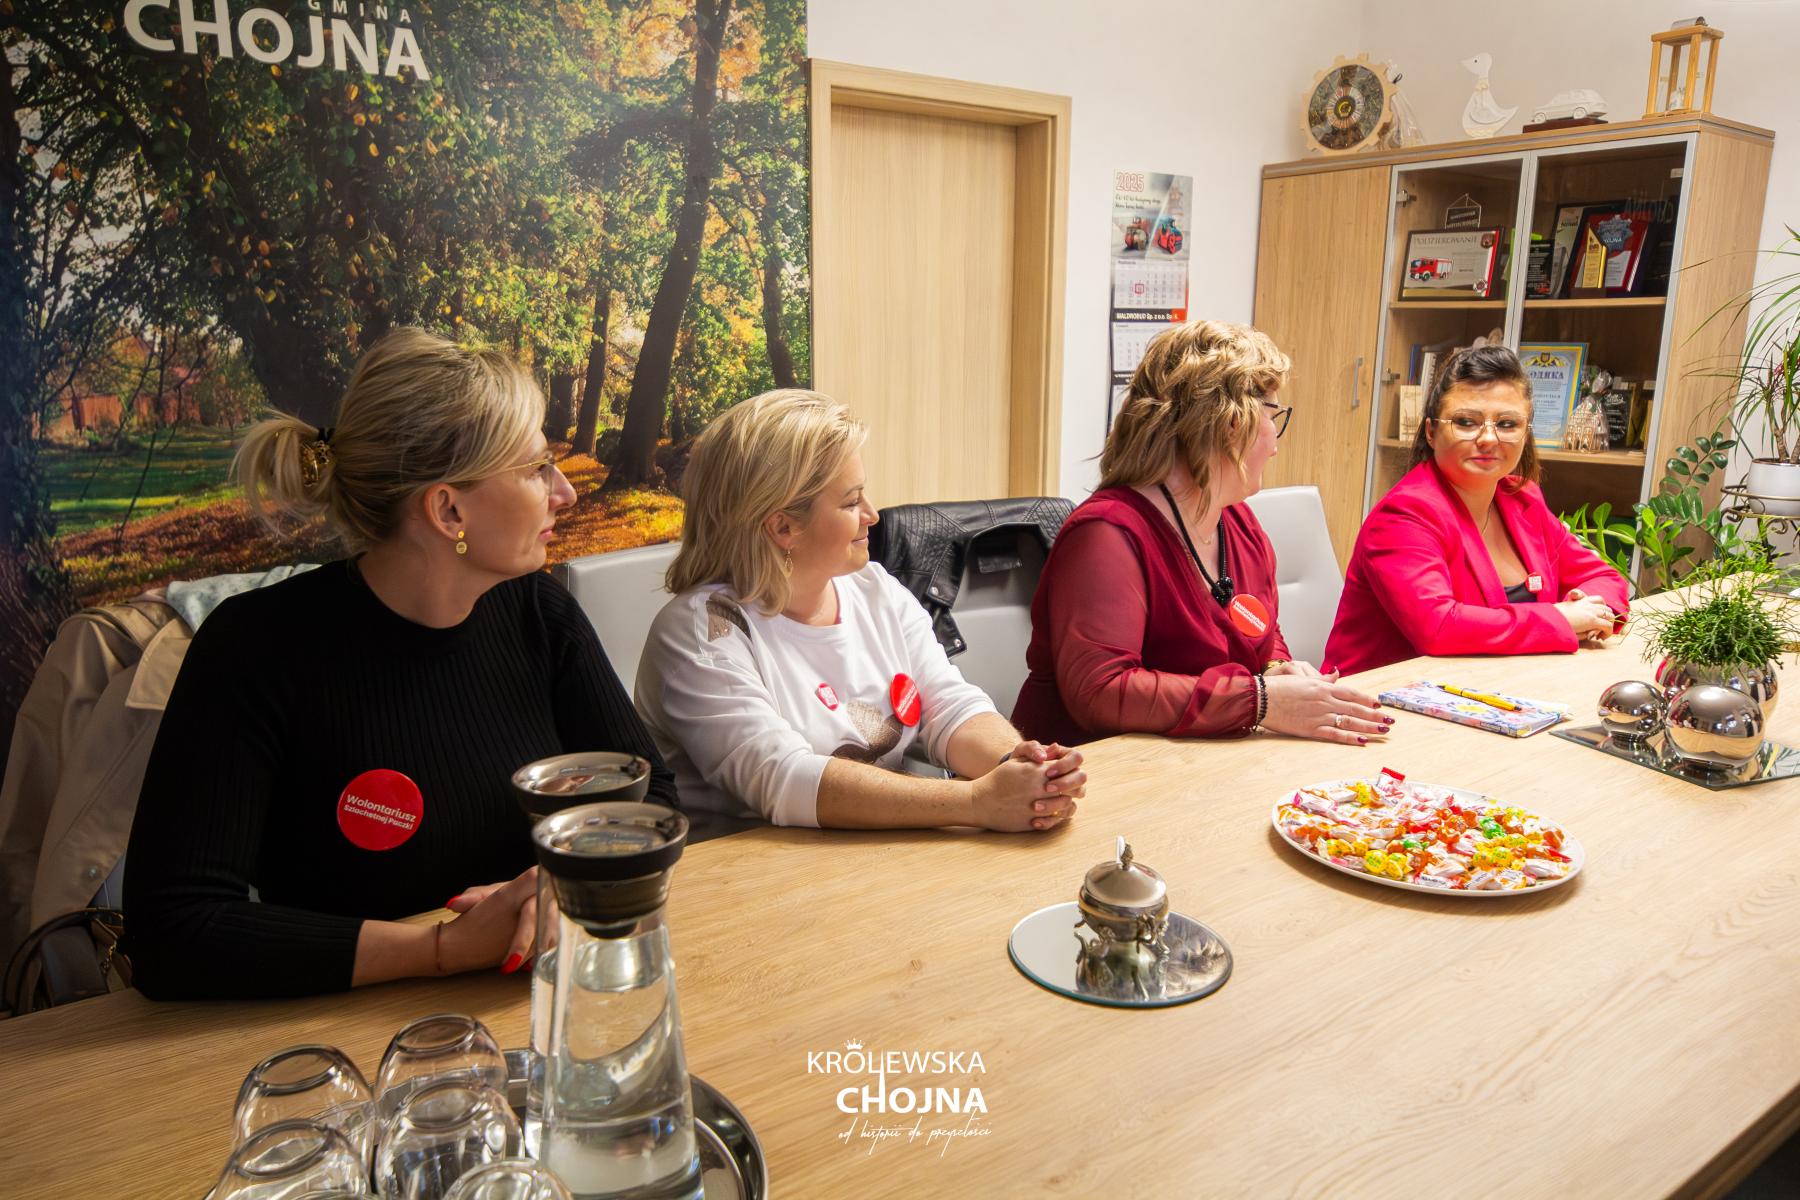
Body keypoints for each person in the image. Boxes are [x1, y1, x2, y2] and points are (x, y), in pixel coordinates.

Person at [125, 328, 675, 1000]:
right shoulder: (253, 649)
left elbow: (653, 796)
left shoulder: (540, 612)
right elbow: (171, 931)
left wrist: (558, 885)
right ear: (447, 509)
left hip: (542, 1003)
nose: (565, 492)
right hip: (344, 1034)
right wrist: (441, 948)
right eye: (536, 469)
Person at [635, 389, 1084, 832]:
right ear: (783, 526)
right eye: (851, 502)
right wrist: (974, 801)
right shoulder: (700, 633)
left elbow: (947, 705)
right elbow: (783, 778)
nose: (872, 514)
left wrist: (1018, 768)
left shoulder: (874, 588)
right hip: (754, 870)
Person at [1012, 319, 1389, 746]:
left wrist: (1276, 670)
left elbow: (1260, 632)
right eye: (1273, 416)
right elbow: (1101, 692)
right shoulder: (1106, 535)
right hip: (1091, 770)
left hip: (1197, 758)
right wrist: (1261, 700)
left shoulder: (1239, 523)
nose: (1275, 443)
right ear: (1230, 423)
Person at [1324, 345, 1629, 675]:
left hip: (1500, 683)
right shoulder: (1404, 516)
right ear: (1431, 432)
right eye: (1466, 422)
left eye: (1507, 424)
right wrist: (1561, 619)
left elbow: (1603, 577)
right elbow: (1438, 627)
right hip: (1383, 695)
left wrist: (1592, 610)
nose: (1488, 439)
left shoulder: (1522, 499)